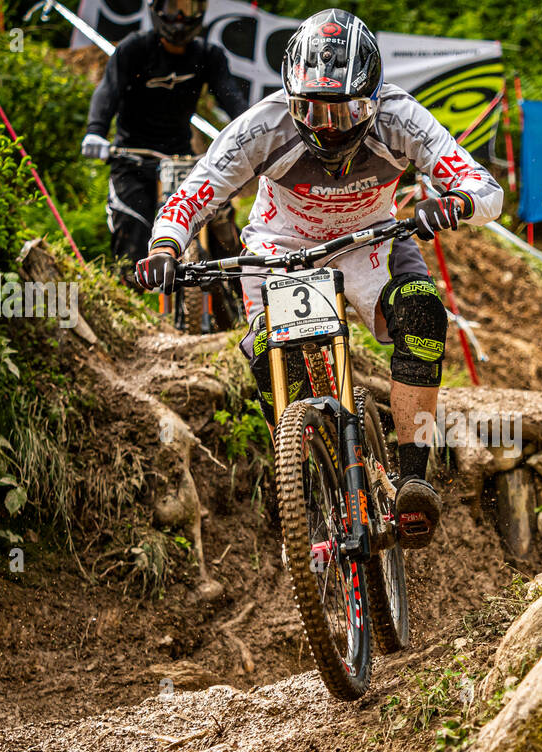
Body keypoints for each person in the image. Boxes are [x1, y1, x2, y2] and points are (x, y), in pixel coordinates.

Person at [133, 8, 501, 550]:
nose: (327, 127)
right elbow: (194, 193)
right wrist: (165, 246)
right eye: (311, 110)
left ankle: (411, 477)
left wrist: (454, 203)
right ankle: (303, 486)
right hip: (281, 248)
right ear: (290, 96)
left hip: (371, 239)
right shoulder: (264, 123)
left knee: (423, 312)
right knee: (266, 353)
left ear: (373, 99)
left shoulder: (402, 116)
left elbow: (485, 188)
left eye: (347, 110)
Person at [81, 0, 247, 279]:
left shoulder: (207, 54)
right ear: (157, 9)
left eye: (188, 8)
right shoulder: (134, 50)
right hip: (131, 157)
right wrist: (95, 130)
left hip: (182, 157)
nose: (180, 17)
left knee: (222, 220)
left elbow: (232, 98)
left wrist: (252, 132)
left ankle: (240, 295)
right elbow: (107, 91)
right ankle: (134, 307)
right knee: (131, 238)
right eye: (173, 8)